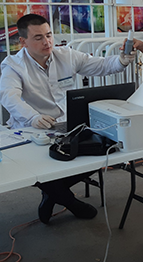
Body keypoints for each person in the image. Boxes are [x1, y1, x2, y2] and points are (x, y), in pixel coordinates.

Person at [0, 14, 135, 223]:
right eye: (38, 38)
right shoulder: (13, 66)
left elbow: (100, 65)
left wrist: (121, 61)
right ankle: (69, 201)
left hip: (68, 125)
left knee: (101, 153)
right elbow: (10, 97)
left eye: (49, 35)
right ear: (23, 41)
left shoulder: (66, 55)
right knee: (35, 167)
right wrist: (33, 117)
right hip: (32, 129)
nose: (47, 42)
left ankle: (54, 193)